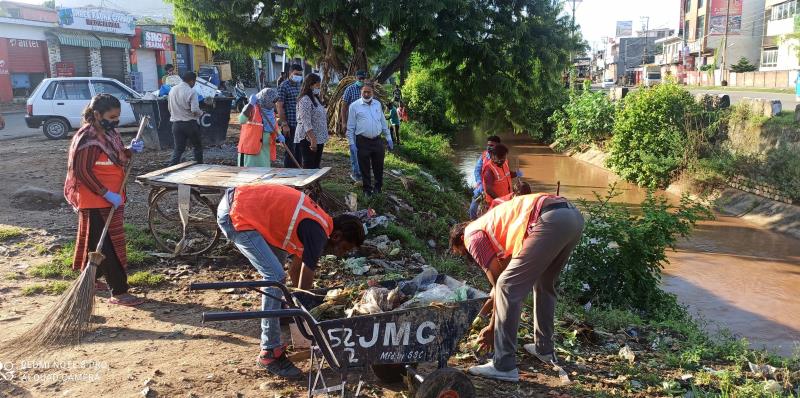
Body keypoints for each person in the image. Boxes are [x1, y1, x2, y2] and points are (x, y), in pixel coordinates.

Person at [216, 184, 365, 378]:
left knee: (277, 268)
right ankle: (269, 352)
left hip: (245, 207)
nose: (341, 254)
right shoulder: (319, 233)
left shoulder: (319, 225)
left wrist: (297, 305)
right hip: (236, 213)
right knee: (275, 277)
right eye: (344, 248)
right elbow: (306, 271)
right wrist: (305, 312)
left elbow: (296, 269)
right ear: (337, 236)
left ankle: (280, 312)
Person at [449, 193, 584, 382]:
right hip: (572, 217)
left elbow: (501, 285)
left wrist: (491, 328)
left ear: (461, 238)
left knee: (508, 286)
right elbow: (498, 286)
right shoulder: (493, 228)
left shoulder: (471, 235)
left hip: (550, 219)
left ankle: (503, 365)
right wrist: (483, 315)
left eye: (462, 252)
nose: (467, 256)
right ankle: (544, 348)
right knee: (544, 283)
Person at [64, 94, 145, 306]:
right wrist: (105, 193)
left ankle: (90, 278)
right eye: (111, 116)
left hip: (111, 198)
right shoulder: (87, 138)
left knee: (95, 241)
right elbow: (82, 171)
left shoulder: (110, 133)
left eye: (117, 116)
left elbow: (116, 156)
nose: (115, 121)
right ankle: (118, 291)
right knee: (108, 247)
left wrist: (129, 150)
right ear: (97, 114)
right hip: (95, 200)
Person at [346, 80, 393, 196]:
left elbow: (383, 122)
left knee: (379, 166)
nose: (366, 94)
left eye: (369, 92)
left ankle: (378, 188)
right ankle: (367, 190)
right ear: (361, 91)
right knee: (364, 167)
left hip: (377, 140)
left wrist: (389, 137)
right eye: (364, 92)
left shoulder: (377, 104)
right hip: (362, 141)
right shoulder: (354, 106)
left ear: (373, 92)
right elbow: (350, 127)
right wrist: (351, 143)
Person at [237, 88, 285, 167]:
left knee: (263, 174)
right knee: (249, 174)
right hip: (250, 150)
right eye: (273, 102)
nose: (274, 104)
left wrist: (279, 135)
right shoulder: (251, 108)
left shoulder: (270, 111)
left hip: (264, 150)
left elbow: (274, 126)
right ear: (265, 99)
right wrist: (250, 104)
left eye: (275, 102)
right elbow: (241, 120)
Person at [168, 71, 204, 166]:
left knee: (178, 149)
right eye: (194, 82)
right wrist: (201, 113)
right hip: (190, 124)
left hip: (176, 125)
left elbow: (169, 108)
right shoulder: (191, 91)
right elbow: (195, 110)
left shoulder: (172, 90)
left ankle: (170, 168)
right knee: (197, 147)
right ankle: (200, 167)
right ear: (192, 81)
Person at [295, 73, 329, 169]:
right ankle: (308, 184)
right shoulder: (305, 100)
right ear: (310, 85)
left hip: (318, 137)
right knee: (309, 165)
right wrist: (312, 139)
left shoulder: (315, 98)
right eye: (317, 85)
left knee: (316, 165)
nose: (319, 87)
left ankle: (314, 183)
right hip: (308, 138)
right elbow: (306, 121)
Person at [341, 70, 367, 182]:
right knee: (354, 149)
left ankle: (363, 172)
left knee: (364, 149)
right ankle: (357, 174)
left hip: (365, 125)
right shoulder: (350, 89)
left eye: (363, 79)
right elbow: (344, 107)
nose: (361, 80)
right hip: (353, 124)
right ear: (356, 78)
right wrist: (344, 122)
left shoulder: (366, 90)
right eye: (359, 78)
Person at [276, 64, 304, 168]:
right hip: (290, 125)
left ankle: (298, 174)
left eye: (300, 75)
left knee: (299, 151)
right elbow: (279, 105)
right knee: (290, 152)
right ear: (290, 73)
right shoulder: (284, 86)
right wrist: (284, 124)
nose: (298, 76)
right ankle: (288, 176)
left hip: (300, 125)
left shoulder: (300, 85)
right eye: (296, 74)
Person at [469, 136, 501, 220]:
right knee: (473, 209)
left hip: (494, 190)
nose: (489, 147)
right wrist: (479, 182)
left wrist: (515, 174)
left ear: (498, 146)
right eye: (488, 145)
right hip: (482, 188)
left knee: (494, 214)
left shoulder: (502, 158)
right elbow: (477, 170)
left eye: (492, 145)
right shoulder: (483, 156)